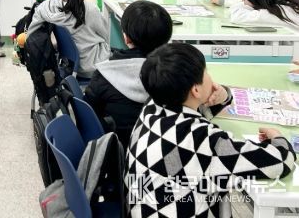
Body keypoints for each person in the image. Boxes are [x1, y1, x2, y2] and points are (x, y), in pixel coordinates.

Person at [126, 43, 295, 217]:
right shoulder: (202, 139)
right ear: (196, 90)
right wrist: (278, 138)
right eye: (205, 72)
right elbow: (280, 163)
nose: (210, 77)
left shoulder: (152, 107)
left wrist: (223, 96)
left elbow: (193, 113)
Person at [83, 0, 172, 147]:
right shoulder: (177, 76)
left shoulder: (105, 73)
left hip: (116, 152)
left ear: (126, 37)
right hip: (163, 151)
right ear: (167, 39)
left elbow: (88, 115)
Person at [26, 0, 109, 75]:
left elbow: (31, 34)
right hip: (91, 66)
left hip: (64, 64)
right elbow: (106, 36)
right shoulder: (90, 9)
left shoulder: (45, 7)